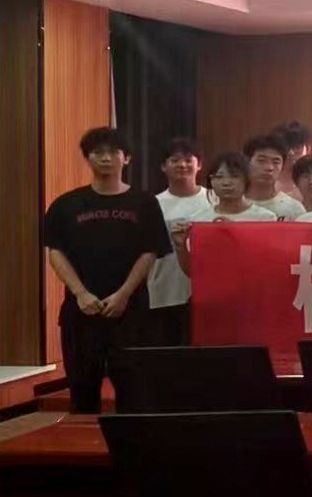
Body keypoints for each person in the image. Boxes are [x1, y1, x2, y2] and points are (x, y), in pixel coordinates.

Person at [42, 127, 171, 413]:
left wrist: (124, 294)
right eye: (98, 152)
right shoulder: (66, 204)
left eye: (113, 152)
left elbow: (150, 251)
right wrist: (80, 293)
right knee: (82, 391)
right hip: (81, 310)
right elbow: (55, 252)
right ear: (87, 158)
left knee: (134, 391)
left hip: (131, 311)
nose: (105, 158)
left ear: (127, 158)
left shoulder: (145, 203)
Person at [147, 137, 212, 347]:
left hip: (208, 292)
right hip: (164, 290)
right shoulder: (152, 204)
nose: (182, 165)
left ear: (199, 165)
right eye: (175, 160)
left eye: (188, 160)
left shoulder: (214, 200)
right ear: (163, 166)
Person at [171, 152, 278, 276]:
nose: (226, 183)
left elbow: (268, 264)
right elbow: (192, 272)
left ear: (247, 179)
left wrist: (235, 233)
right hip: (211, 285)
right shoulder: (199, 219)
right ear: (211, 181)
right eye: (219, 177)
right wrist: (181, 246)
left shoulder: (265, 218)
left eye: (234, 176)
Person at [242, 133, 306, 219]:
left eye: (276, 162)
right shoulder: (228, 205)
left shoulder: (294, 209)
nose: (269, 168)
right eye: (261, 160)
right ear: (246, 162)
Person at [272, 120, 312, 199]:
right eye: (286, 147)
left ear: (308, 149)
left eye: (297, 148)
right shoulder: (268, 178)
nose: (291, 153)